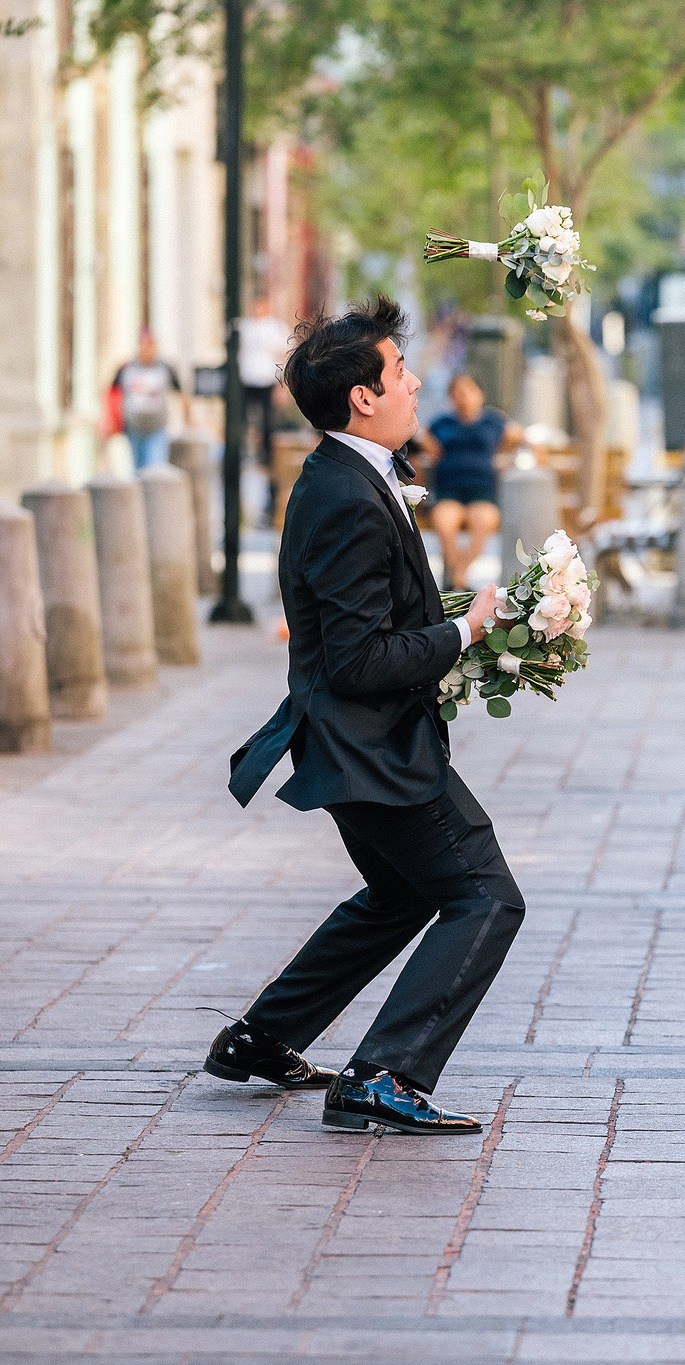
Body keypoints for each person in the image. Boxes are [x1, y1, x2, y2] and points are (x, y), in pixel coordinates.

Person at [221, 296, 522, 1137]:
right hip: (371, 749)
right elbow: (359, 660)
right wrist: (465, 630)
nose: (415, 380)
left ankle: (262, 1037)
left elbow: (373, 626)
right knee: (483, 895)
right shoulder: (347, 495)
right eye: (399, 370)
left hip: (355, 740)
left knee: (398, 891)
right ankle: (383, 1075)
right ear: (363, 395)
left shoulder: (348, 475)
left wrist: (457, 630)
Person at [412, 372, 521, 590]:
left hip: (482, 492)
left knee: (484, 520)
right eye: (457, 392)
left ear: (480, 394)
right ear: (451, 397)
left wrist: (513, 453)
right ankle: (461, 578)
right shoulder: (442, 423)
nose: (463, 397)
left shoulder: (493, 421)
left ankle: (458, 576)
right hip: (449, 491)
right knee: (444, 521)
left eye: (469, 391)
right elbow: (421, 440)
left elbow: (519, 437)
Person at [241, 294, 292, 516]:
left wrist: (282, 387)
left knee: (269, 429)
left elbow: (284, 357)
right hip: (246, 384)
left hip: (266, 384)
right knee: (244, 424)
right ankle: (247, 447)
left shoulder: (276, 329)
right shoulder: (244, 327)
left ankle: (263, 453)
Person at [108, 330, 184, 470]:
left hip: (157, 428)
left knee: (156, 468)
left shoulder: (165, 367)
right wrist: (112, 422)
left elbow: (181, 392)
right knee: (138, 469)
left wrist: (187, 420)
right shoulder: (126, 368)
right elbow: (112, 393)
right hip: (133, 428)